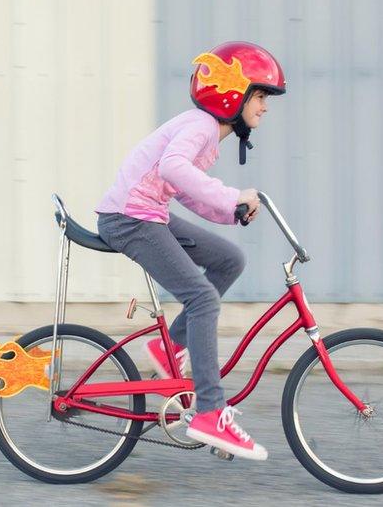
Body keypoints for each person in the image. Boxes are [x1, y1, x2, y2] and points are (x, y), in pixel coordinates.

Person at [95, 41, 285, 461]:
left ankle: (169, 347)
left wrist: (231, 211)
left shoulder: (206, 135)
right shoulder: (200, 126)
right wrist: (233, 193)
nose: (265, 106)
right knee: (201, 298)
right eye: (260, 95)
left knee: (229, 259)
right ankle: (211, 411)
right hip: (131, 218)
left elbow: (186, 190)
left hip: (149, 213)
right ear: (233, 95)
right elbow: (172, 169)